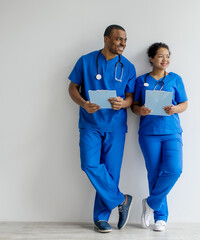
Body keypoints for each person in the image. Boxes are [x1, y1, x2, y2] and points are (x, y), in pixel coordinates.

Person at [68, 24, 135, 233]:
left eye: (124, 40)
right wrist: (83, 103)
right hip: (90, 124)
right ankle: (121, 199)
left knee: (111, 173)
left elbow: (131, 97)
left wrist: (122, 104)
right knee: (89, 164)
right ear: (106, 39)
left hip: (115, 126)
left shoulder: (128, 67)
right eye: (118, 39)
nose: (122, 43)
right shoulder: (86, 61)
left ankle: (101, 218)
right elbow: (72, 88)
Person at [131, 42, 188, 231]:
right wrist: (142, 110)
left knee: (174, 170)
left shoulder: (175, 79)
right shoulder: (141, 80)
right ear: (151, 58)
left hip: (171, 132)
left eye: (168, 56)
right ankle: (160, 218)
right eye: (161, 56)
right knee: (154, 174)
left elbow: (184, 104)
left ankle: (151, 203)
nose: (165, 60)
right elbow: (134, 106)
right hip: (149, 134)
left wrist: (174, 109)